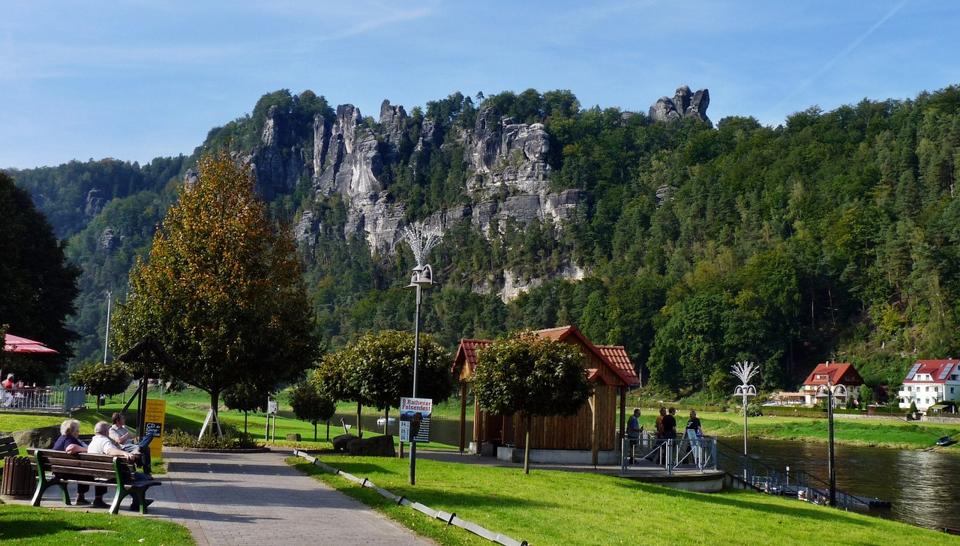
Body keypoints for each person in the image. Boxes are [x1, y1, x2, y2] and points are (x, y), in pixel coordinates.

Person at [88, 421, 152, 511]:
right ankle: (138, 502)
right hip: (113, 475)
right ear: (106, 431)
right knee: (145, 478)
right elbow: (109, 451)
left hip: (98, 474)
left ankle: (138, 501)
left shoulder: (92, 442)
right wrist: (124, 453)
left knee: (133, 478)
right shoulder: (104, 440)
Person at [53, 419, 108, 508]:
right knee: (99, 472)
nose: (79, 432)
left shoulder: (61, 438)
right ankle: (98, 499)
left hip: (59, 471)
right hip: (68, 472)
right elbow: (70, 448)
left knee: (83, 470)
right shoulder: (69, 439)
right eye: (77, 430)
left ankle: (81, 498)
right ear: (72, 431)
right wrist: (88, 450)